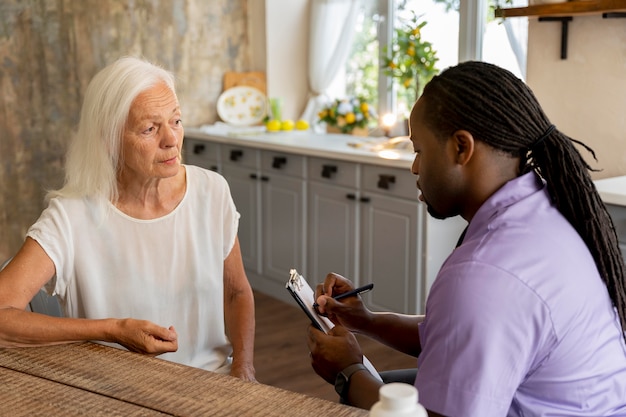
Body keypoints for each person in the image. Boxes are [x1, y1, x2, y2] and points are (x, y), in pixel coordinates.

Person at [307, 61, 626, 416]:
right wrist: (363, 320)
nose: (414, 167)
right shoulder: (548, 207)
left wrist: (348, 372)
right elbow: (453, 334)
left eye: (419, 151)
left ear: (462, 147)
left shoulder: (485, 272)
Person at [0, 56, 256, 381]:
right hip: (112, 395)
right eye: (150, 129)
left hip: (211, 383)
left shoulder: (212, 190)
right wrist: (113, 329)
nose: (171, 139)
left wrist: (243, 367)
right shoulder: (71, 216)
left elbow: (237, 292)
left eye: (175, 121)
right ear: (109, 140)